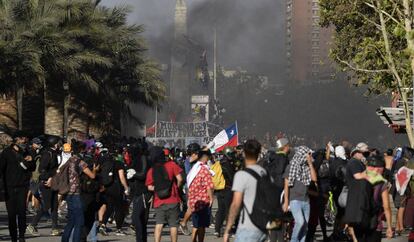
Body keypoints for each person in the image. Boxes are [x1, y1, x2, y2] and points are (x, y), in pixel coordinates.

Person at [224, 139, 267, 242]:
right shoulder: (265, 173)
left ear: (244, 153)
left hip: (248, 226)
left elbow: (235, 204)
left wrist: (227, 229)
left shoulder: (242, 175)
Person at [0, 131, 36, 242]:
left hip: (22, 187)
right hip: (9, 187)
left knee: (22, 213)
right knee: (11, 215)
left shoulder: (27, 152)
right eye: (22, 139)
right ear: (16, 139)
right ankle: (13, 237)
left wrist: (30, 161)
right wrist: (2, 189)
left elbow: (32, 168)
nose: (24, 141)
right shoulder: (6, 153)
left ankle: (21, 236)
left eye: (26, 139)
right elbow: (0, 171)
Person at [62, 143, 99, 242]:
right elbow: (92, 176)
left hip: (68, 193)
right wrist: (95, 170)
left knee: (70, 222)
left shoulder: (67, 161)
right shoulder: (80, 162)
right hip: (77, 193)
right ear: (82, 150)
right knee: (79, 222)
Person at [146, 146, 183, 242]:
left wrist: (158, 189)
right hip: (173, 199)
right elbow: (180, 179)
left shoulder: (151, 170)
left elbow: (149, 187)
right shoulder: (172, 165)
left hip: (159, 200)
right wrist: (176, 188)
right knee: (173, 225)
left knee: (159, 224)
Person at [282, 146, 317, 242]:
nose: (310, 156)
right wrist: (286, 202)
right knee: (300, 222)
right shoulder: (291, 167)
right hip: (295, 200)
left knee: (305, 226)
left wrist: (310, 164)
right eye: (308, 154)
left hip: (306, 200)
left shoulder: (306, 167)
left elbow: (314, 179)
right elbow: (286, 185)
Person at [28, 135, 61, 236]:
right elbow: (41, 169)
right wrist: (49, 178)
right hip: (46, 183)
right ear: (54, 143)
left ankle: (54, 228)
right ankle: (32, 225)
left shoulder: (55, 153)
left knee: (55, 206)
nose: (59, 144)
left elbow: (55, 168)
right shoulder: (48, 154)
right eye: (58, 143)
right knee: (46, 206)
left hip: (54, 182)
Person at [343, 143, 373, 241]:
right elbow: (358, 176)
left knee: (356, 222)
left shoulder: (359, 162)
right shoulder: (354, 162)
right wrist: (369, 170)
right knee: (356, 221)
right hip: (355, 196)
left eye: (365, 154)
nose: (364, 155)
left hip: (359, 195)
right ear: (356, 152)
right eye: (363, 153)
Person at [266, 138, 290, 242]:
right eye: (288, 145)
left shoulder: (272, 158)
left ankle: (272, 240)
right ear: (285, 147)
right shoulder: (283, 158)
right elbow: (281, 172)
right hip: (279, 190)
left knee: (274, 219)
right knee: (279, 219)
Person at [186, 150, 214, 242]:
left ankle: (193, 240)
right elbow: (208, 186)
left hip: (193, 200)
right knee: (202, 226)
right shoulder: (204, 170)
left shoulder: (194, 169)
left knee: (196, 224)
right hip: (202, 201)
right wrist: (211, 198)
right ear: (206, 158)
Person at [128, 144, 150, 242]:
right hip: (138, 192)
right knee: (140, 218)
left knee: (137, 218)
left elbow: (143, 174)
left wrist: (134, 174)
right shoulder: (137, 159)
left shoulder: (143, 158)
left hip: (143, 192)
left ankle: (140, 239)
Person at [179, 143, 201, 236]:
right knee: (192, 206)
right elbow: (190, 174)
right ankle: (183, 223)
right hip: (191, 186)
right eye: (196, 152)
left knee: (195, 206)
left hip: (198, 186)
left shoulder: (196, 160)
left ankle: (193, 224)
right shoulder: (188, 161)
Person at [214, 147, 236, 238]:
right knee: (228, 211)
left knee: (220, 210)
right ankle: (228, 231)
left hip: (219, 190)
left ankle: (217, 230)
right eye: (231, 154)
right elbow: (231, 177)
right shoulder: (227, 164)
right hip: (227, 189)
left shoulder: (219, 163)